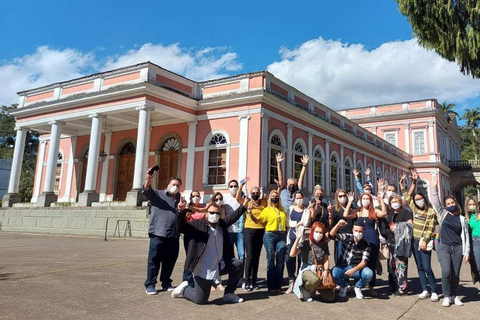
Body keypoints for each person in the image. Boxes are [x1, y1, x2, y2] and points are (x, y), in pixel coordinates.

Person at [171, 199, 249, 304]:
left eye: (217, 213)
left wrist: (243, 206)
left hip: (219, 265)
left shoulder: (221, 224)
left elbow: (233, 217)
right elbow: (180, 227)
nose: (215, 215)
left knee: (238, 264)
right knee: (200, 299)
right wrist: (181, 212)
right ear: (206, 214)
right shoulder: (196, 225)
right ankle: (184, 289)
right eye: (212, 212)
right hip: (203, 268)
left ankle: (229, 293)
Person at [431, 178, 470, 307]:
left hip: (458, 247)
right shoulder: (443, 214)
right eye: (448, 203)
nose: (450, 205)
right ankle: (447, 296)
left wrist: (466, 252)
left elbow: (465, 236)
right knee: (446, 272)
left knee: (456, 273)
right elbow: (436, 203)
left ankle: (454, 295)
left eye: (452, 202)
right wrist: (434, 189)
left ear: (455, 203)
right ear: (446, 205)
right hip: (444, 246)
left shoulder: (462, 219)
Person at [400, 170, 438, 301]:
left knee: (427, 267)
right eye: (416, 200)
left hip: (424, 241)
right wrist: (402, 184)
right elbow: (406, 197)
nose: (418, 201)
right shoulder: (414, 209)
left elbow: (431, 227)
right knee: (420, 267)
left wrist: (425, 240)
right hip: (414, 241)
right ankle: (424, 289)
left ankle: (434, 290)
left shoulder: (430, 211)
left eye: (420, 199)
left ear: (424, 198)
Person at [344, 179, 387, 296]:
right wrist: (350, 201)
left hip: (372, 239)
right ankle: (357, 284)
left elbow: (384, 213)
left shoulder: (374, 211)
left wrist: (380, 199)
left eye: (368, 199)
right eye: (363, 198)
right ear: (360, 200)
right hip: (359, 239)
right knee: (358, 261)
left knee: (371, 262)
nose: (366, 200)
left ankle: (371, 287)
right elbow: (345, 215)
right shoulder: (358, 211)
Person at [143, 169, 182, 295]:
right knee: (154, 260)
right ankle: (150, 284)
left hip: (174, 235)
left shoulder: (181, 199)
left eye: (178, 185)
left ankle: (166, 282)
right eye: (173, 184)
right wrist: (149, 179)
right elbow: (146, 190)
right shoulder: (157, 194)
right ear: (168, 186)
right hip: (158, 233)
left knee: (170, 260)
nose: (175, 187)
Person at [248, 189, 287, 292]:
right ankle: (271, 286)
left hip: (281, 235)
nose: (275, 198)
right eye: (273, 196)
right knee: (271, 258)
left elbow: (285, 224)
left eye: (277, 196)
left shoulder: (282, 209)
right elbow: (258, 221)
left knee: (280, 260)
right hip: (269, 235)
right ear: (270, 198)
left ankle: (278, 285)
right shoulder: (267, 210)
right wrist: (251, 215)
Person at [290, 222, 335, 302]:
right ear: (312, 232)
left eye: (321, 232)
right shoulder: (306, 242)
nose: (319, 234)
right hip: (307, 269)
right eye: (316, 232)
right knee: (314, 280)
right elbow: (292, 254)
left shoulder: (324, 243)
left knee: (330, 297)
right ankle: (306, 289)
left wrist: (326, 270)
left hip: (319, 269)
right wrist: (297, 239)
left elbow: (326, 260)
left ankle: (317, 288)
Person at [330, 219, 374, 299]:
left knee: (369, 274)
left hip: (357, 269)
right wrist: (338, 225)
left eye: (360, 231)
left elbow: (365, 261)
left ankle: (357, 287)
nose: (358, 233)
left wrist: (354, 270)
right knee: (333, 273)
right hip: (344, 267)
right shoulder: (347, 237)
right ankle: (343, 286)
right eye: (356, 231)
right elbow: (331, 235)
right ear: (352, 230)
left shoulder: (366, 244)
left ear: (363, 232)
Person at [285, 191, 314, 293]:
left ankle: (299, 280)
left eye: (300, 198)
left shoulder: (306, 210)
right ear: (294, 199)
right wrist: (298, 223)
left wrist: (302, 223)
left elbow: (306, 222)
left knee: (301, 259)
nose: (299, 200)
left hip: (301, 238)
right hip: (292, 237)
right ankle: (291, 280)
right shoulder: (290, 209)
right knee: (289, 258)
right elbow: (287, 222)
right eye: (297, 198)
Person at [385, 194, 413, 296]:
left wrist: (397, 227)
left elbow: (410, 225)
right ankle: (393, 285)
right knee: (392, 266)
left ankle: (403, 288)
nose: (394, 204)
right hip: (391, 242)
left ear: (400, 202)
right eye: (392, 202)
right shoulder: (390, 213)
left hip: (401, 243)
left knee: (401, 266)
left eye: (396, 201)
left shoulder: (406, 213)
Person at [242, 185, 267, 291]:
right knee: (250, 256)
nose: (255, 194)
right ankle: (247, 281)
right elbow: (238, 197)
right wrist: (241, 186)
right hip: (249, 231)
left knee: (256, 257)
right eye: (254, 193)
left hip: (260, 230)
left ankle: (254, 281)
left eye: (257, 193)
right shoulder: (248, 202)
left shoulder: (264, 202)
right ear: (250, 194)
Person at [183, 190, 205, 285]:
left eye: (197, 195)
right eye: (194, 196)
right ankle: (187, 280)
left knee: (201, 258)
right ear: (190, 198)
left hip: (202, 235)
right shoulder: (187, 209)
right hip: (190, 236)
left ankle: (199, 280)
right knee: (190, 258)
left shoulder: (204, 207)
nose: (196, 197)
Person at [332, 190, 356, 264]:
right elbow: (332, 223)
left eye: (344, 195)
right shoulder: (335, 209)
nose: (342, 197)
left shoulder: (352, 208)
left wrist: (350, 202)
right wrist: (330, 215)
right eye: (340, 196)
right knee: (340, 257)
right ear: (337, 198)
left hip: (351, 235)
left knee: (351, 258)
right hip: (340, 236)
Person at [224, 179, 244, 261]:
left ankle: (241, 273)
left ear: (238, 187)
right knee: (230, 255)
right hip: (229, 230)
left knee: (242, 254)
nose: (233, 188)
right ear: (228, 188)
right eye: (231, 186)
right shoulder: (225, 200)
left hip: (240, 231)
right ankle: (232, 272)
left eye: (235, 186)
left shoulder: (242, 200)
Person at [465, 195, 480, 284]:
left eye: (474, 204)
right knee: (478, 267)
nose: (472, 206)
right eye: (470, 204)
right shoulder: (467, 218)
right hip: (475, 243)